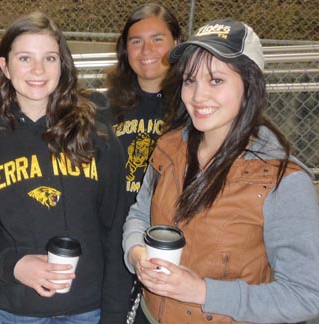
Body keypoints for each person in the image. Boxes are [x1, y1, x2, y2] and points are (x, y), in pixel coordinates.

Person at [122, 19, 319, 323]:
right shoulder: (169, 147)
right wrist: (136, 253)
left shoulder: (283, 181)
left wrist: (203, 292)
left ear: (249, 86)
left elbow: (307, 295)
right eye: (190, 80)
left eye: (216, 80)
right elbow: (140, 214)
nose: (198, 96)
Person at [0, 12, 130, 324]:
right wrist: (15, 266)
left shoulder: (97, 136)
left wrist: (113, 311)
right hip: (15, 308)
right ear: (4, 65)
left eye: (50, 58)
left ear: (63, 64)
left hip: (88, 307)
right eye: (25, 58)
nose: (38, 70)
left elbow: (116, 228)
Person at [105, 3, 183, 210]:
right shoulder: (104, 108)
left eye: (157, 40)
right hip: (114, 231)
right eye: (136, 41)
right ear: (125, 49)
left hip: (168, 231)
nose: (146, 50)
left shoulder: (192, 106)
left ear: (176, 43)